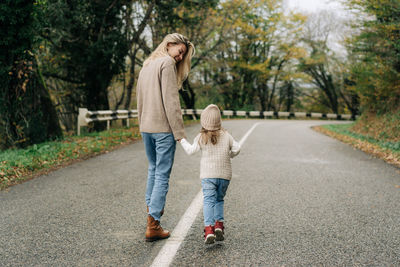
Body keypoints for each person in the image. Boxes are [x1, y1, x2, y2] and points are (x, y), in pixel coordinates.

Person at [136, 33, 195, 242]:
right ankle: (153, 224)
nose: (180, 58)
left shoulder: (147, 64)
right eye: (180, 52)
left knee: (153, 170)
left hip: (147, 128)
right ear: (169, 45)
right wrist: (180, 135)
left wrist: (141, 124)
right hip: (163, 129)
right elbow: (172, 102)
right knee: (161, 174)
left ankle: (151, 217)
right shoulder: (167, 63)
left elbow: (139, 99)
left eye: (182, 56)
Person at [179, 104, 241, 244]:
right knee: (219, 200)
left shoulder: (201, 136)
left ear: (204, 121)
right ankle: (219, 225)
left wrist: (181, 140)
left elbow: (190, 151)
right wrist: (229, 155)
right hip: (225, 175)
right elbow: (237, 148)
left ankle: (209, 229)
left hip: (208, 176)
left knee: (208, 201)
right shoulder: (226, 135)